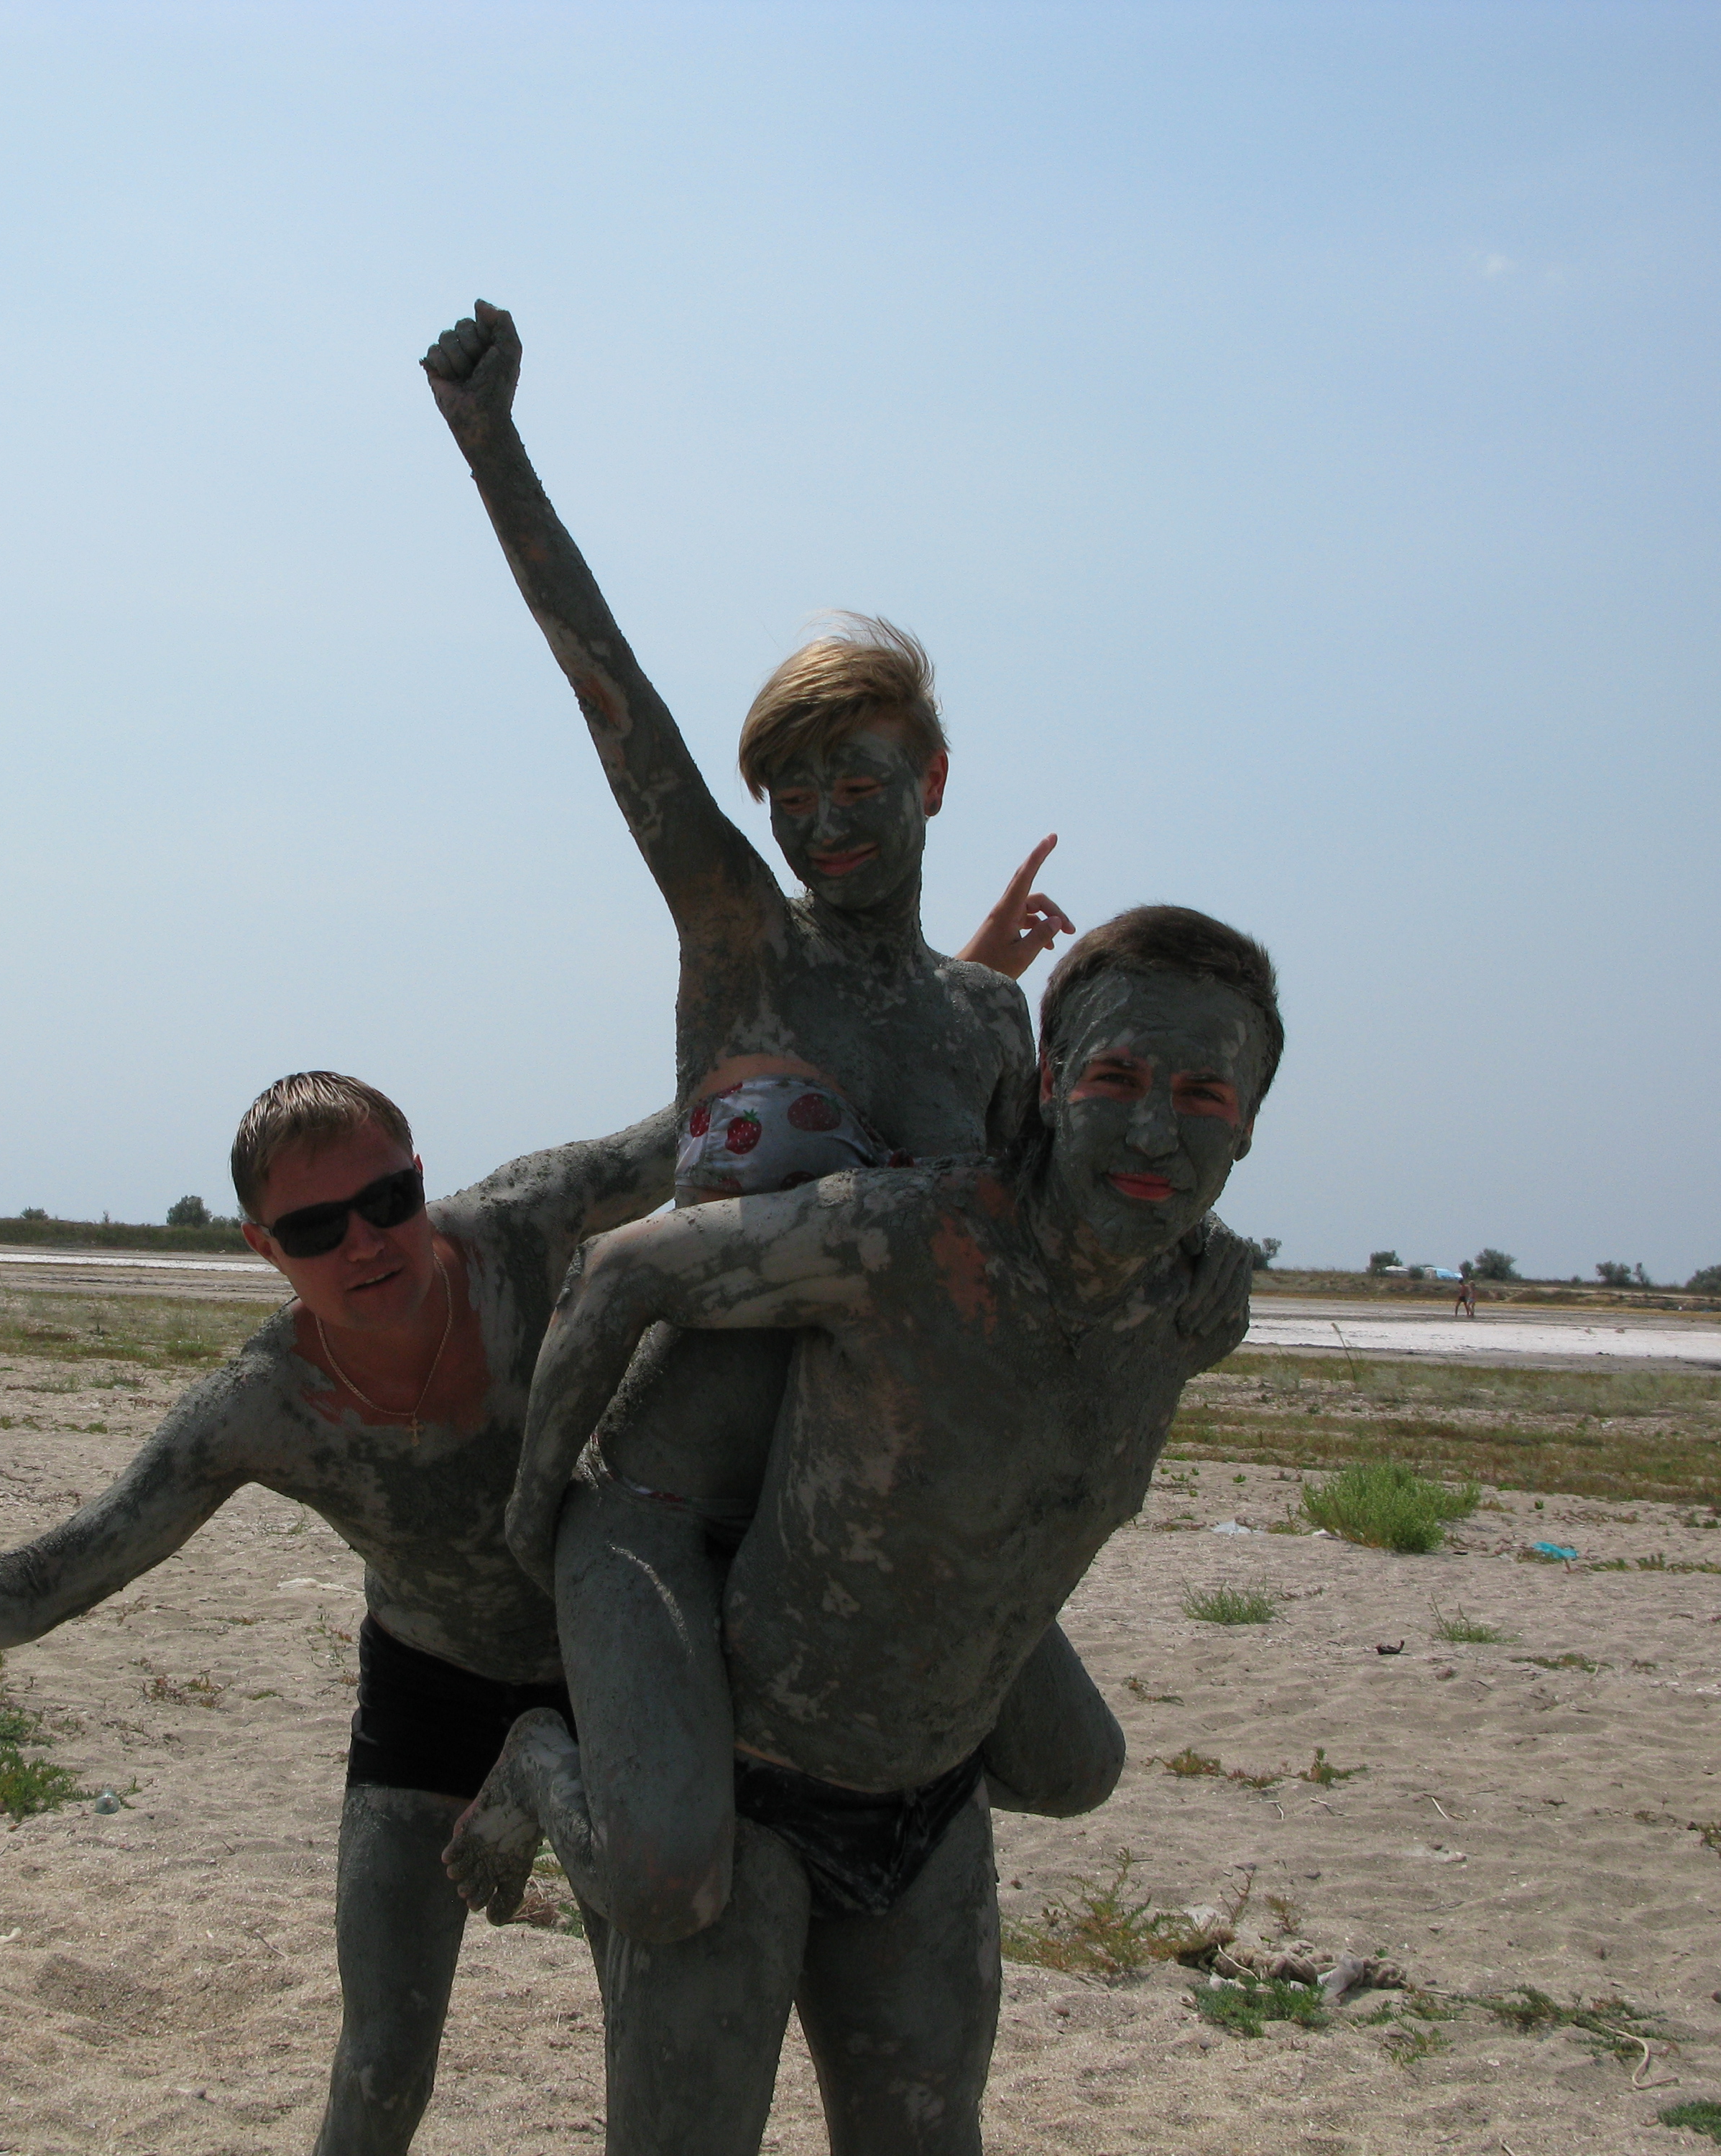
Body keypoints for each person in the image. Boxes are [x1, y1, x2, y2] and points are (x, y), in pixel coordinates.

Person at [420, 304, 1173, 1932]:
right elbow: (609, 693)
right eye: (794, 788)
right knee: (668, 1882)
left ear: (933, 780)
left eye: (861, 779)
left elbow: (1020, 1253)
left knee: (1068, 1763)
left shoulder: (988, 1024)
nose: (825, 818)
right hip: (675, 1495)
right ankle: (548, 1763)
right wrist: (492, 447)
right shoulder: (740, 943)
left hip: (874, 1514)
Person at [0, 1073, 675, 2156]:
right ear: (264, 1247)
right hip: (429, 1691)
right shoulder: (261, 1405)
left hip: (616, 1662)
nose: (364, 1243)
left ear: (420, 1180)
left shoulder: (523, 1226)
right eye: (315, 1228)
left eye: (387, 1202)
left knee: (657, 2042)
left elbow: (707, 1122)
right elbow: (76, 1564)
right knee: (383, 2063)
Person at [443, 906, 1279, 2155]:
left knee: (1077, 1774)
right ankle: (545, 1769)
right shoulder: (902, 1238)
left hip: (929, 1791)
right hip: (752, 1767)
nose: (1156, 1129)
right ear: (1049, 1085)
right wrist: (534, 1512)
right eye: (1116, 1078)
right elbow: (620, 1271)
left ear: (1249, 1123)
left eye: (1204, 1094)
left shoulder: (1194, 1311)